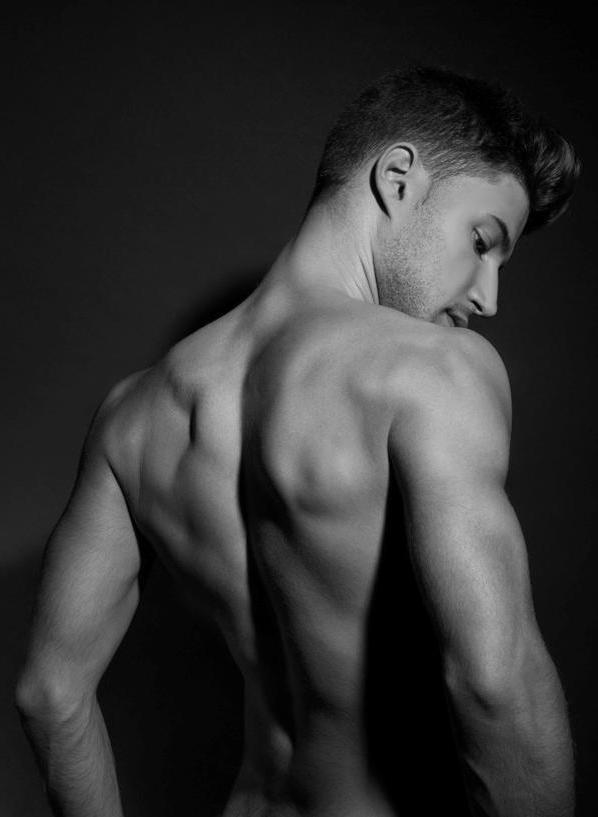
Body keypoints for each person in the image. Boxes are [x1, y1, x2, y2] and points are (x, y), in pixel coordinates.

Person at [16, 66, 579, 817]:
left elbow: (50, 693)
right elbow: (494, 684)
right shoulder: (432, 372)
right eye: (483, 242)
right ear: (398, 178)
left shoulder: (134, 413)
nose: (489, 295)